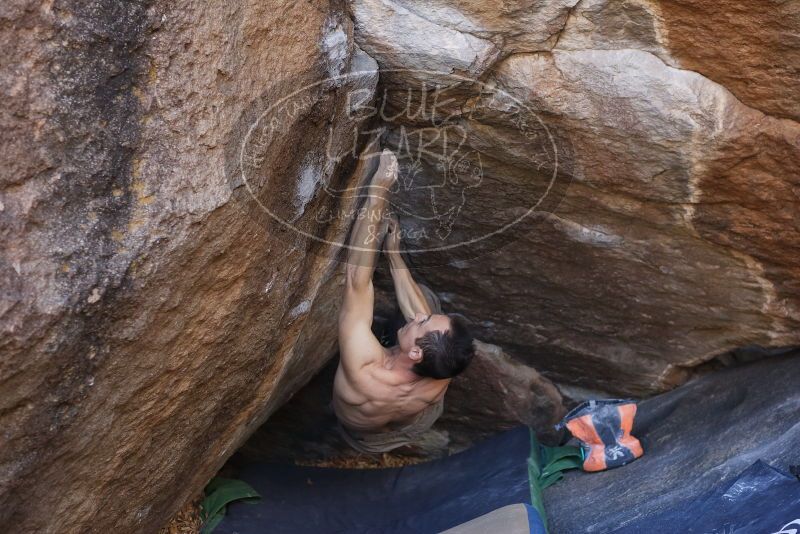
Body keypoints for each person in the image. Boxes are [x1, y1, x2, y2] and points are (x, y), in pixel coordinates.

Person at [332, 148, 475, 454]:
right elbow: (422, 320)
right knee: (427, 300)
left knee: (420, 306)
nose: (418, 316)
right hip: (415, 417)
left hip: (365, 435)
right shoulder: (442, 371)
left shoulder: (364, 368)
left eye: (421, 323)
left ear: (413, 353)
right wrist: (394, 254)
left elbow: (357, 280)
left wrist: (378, 191)